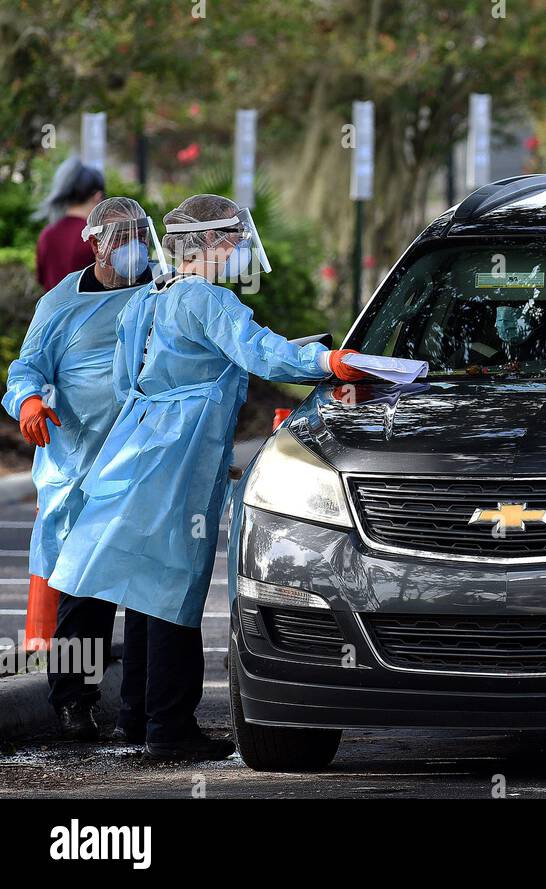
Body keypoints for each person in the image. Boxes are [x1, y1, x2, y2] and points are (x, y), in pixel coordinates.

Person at [49, 194, 376, 761]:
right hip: (181, 455)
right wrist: (329, 364)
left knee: (144, 584)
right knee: (175, 588)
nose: (239, 249)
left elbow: (134, 376)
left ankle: (139, 718)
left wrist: (305, 353)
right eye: (232, 240)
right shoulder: (208, 298)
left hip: (136, 445)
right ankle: (170, 730)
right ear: (212, 244)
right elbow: (261, 355)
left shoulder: (150, 298)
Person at [3, 197, 161, 741]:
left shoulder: (161, 295)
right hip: (79, 466)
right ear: (94, 243)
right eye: (120, 237)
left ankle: (142, 710)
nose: (132, 247)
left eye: (140, 234)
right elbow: (27, 367)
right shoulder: (60, 304)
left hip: (144, 461)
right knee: (85, 591)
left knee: (147, 587)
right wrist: (27, 402)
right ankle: (73, 702)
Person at [33, 157, 105, 291]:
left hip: (52, 311)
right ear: (97, 196)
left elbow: (42, 280)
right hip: (92, 311)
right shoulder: (97, 236)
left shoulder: (47, 234)